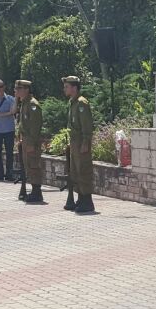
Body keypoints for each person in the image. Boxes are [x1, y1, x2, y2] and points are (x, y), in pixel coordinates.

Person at [62, 76, 95, 214]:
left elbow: (87, 125)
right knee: (75, 171)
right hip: (75, 142)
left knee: (83, 171)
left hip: (81, 142)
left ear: (74, 88)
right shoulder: (72, 102)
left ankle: (87, 201)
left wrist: (86, 142)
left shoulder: (82, 103)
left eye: (67, 86)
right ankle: (81, 198)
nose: (65, 89)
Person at [14, 80, 44, 204]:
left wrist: (31, 143)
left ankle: (37, 192)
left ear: (26, 89)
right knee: (28, 166)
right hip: (26, 140)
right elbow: (23, 125)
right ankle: (33, 191)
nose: (16, 91)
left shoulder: (33, 104)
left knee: (33, 165)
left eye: (19, 88)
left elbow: (35, 126)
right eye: (16, 89)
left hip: (32, 141)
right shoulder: (24, 103)